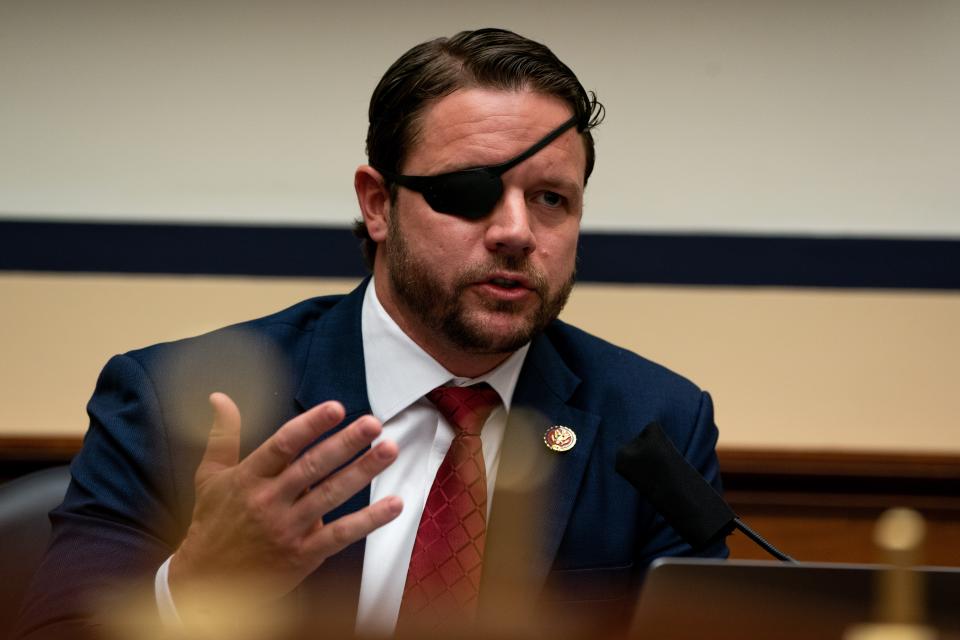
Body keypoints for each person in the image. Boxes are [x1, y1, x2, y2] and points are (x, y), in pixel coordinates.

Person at [16, 28, 727, 639]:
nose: (516, 232)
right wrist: (193, 585)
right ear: (379, 204)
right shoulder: (182, 406)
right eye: (469, 192)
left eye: (551, 200)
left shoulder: (652, 424)